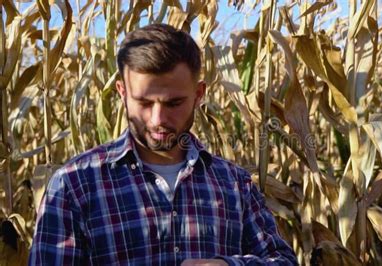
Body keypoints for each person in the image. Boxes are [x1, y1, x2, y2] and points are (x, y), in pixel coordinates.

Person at [29, 23, 297, 265]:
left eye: (174, 103)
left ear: (198, 94)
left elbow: (282, 261)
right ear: (123, 93)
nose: (157, 120)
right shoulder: (75, 186)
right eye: (144, 103)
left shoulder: (235, 185)